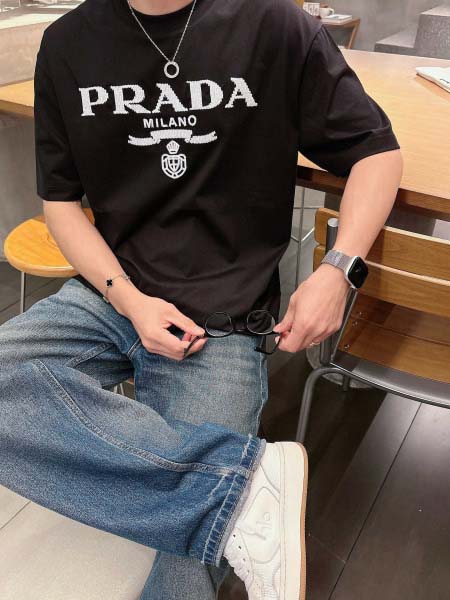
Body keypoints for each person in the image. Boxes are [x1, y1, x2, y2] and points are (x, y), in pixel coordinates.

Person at [0, 0, 403, 598]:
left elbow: (376, 151)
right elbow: (60, 202)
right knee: (208, 524)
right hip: (110, 293)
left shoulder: (275, 26)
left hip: (222, 317)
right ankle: (242, 489)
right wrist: (129, 300)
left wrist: (337, 270)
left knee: (182, 575)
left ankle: (217, 494)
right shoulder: (68, 42)